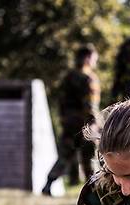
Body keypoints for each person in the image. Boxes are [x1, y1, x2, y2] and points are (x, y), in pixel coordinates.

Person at [42, 44, 101, 195]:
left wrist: (63, 119)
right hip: (85, 124)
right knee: (90, 157)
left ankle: (48, 184)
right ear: (88, 58)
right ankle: (93, 191)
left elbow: (60, 101)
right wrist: (95, 123)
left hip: (69, 123)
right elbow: (90, 105)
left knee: (64, 155)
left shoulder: (68, 76)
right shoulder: (89, 78)